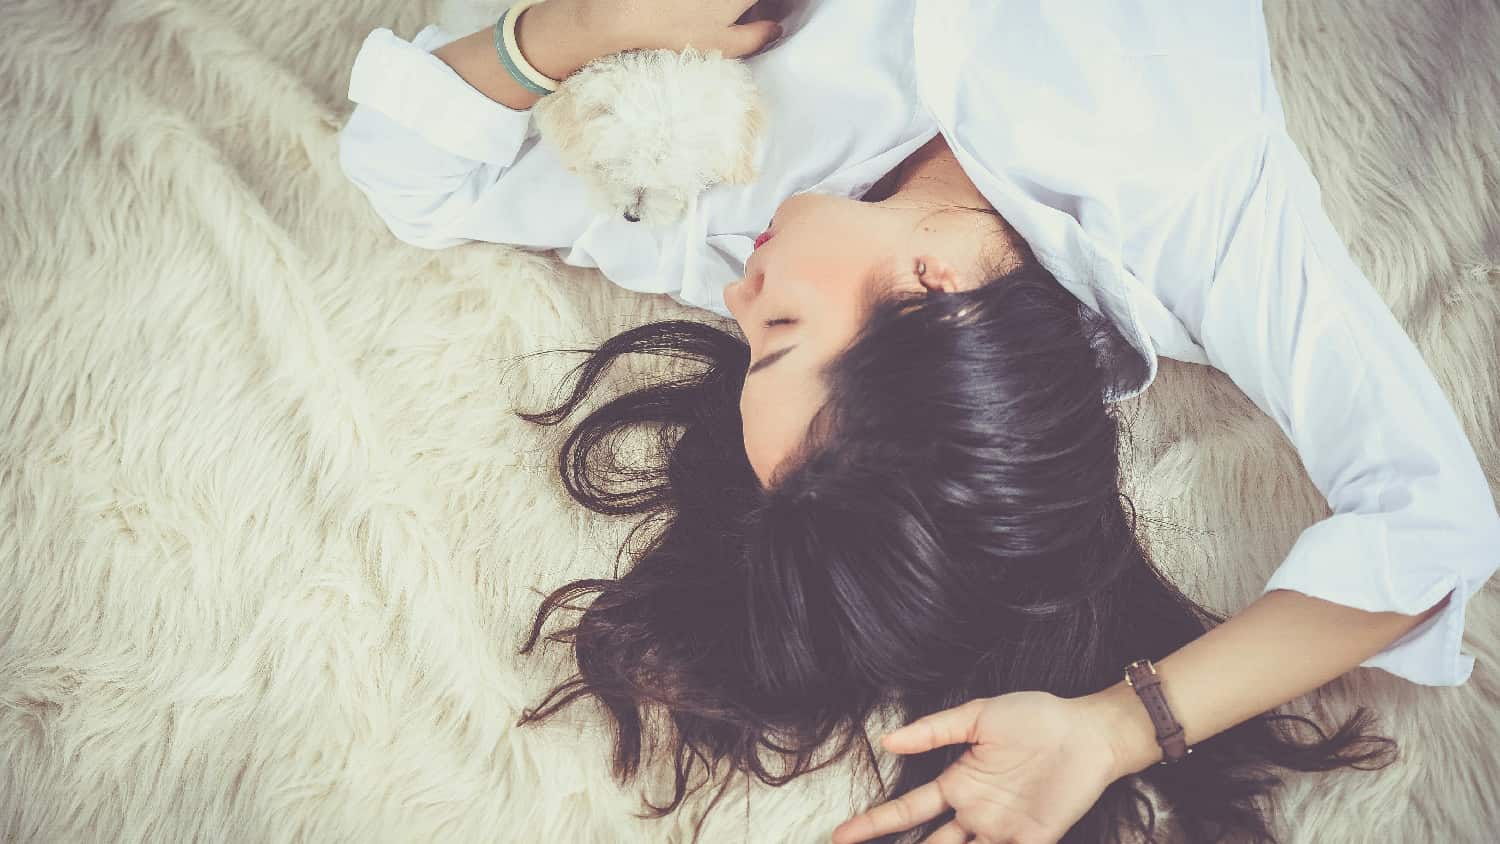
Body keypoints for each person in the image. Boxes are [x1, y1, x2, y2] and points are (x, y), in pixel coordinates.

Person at [337, 2, 1500, 841]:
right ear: (936, 294)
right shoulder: (1184, 200)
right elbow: (1431, 523)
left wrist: (571, 33)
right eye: (779, 329)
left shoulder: (735, 211)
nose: (739, 296)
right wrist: (1114, 730)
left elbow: (415, 177)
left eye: (747, 346)